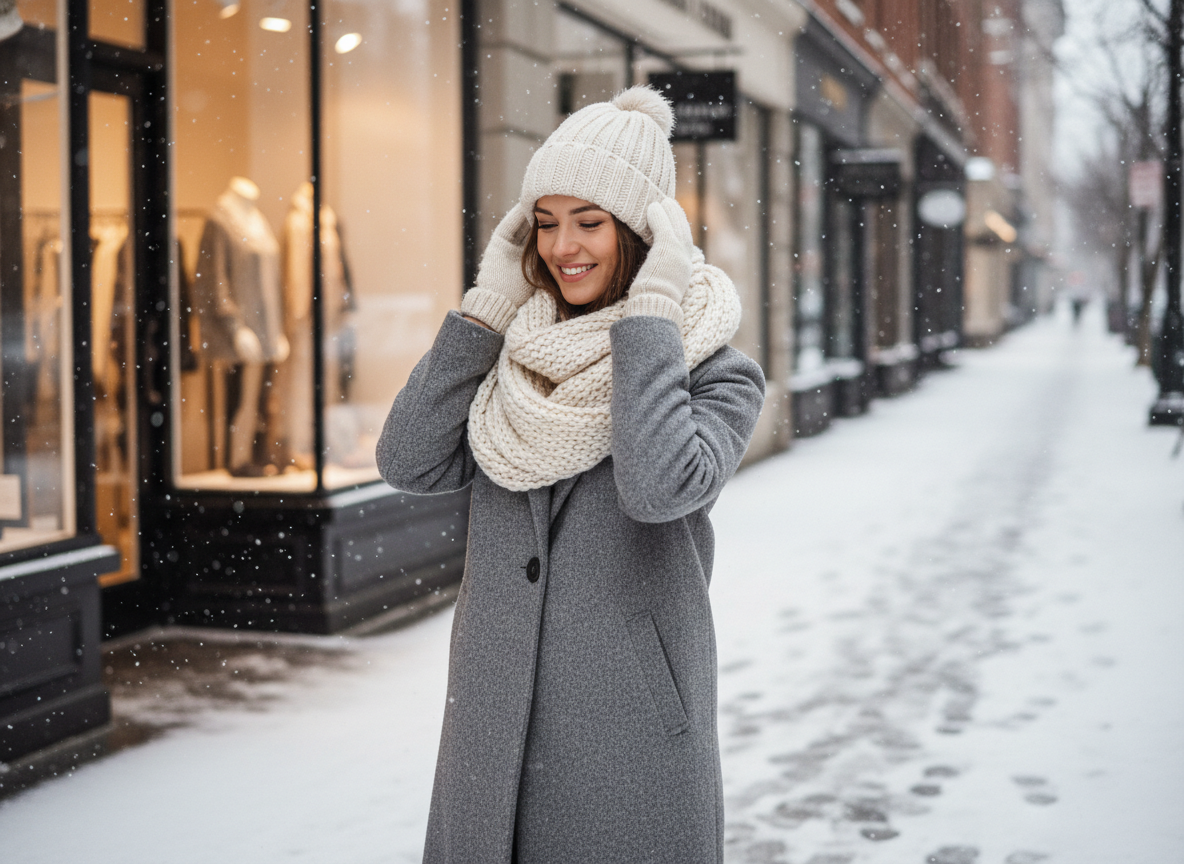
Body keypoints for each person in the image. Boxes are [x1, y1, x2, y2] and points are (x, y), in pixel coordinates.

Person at [377, 86, 765, 864]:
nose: (562, 246)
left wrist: (650, 315)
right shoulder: (509, 359)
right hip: (492, 727)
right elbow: (408, 461)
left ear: (642, 234)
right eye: (546, 223)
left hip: (629, 733)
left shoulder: (714, 374)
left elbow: (658, 487)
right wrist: (485, 311)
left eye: (589, 222)